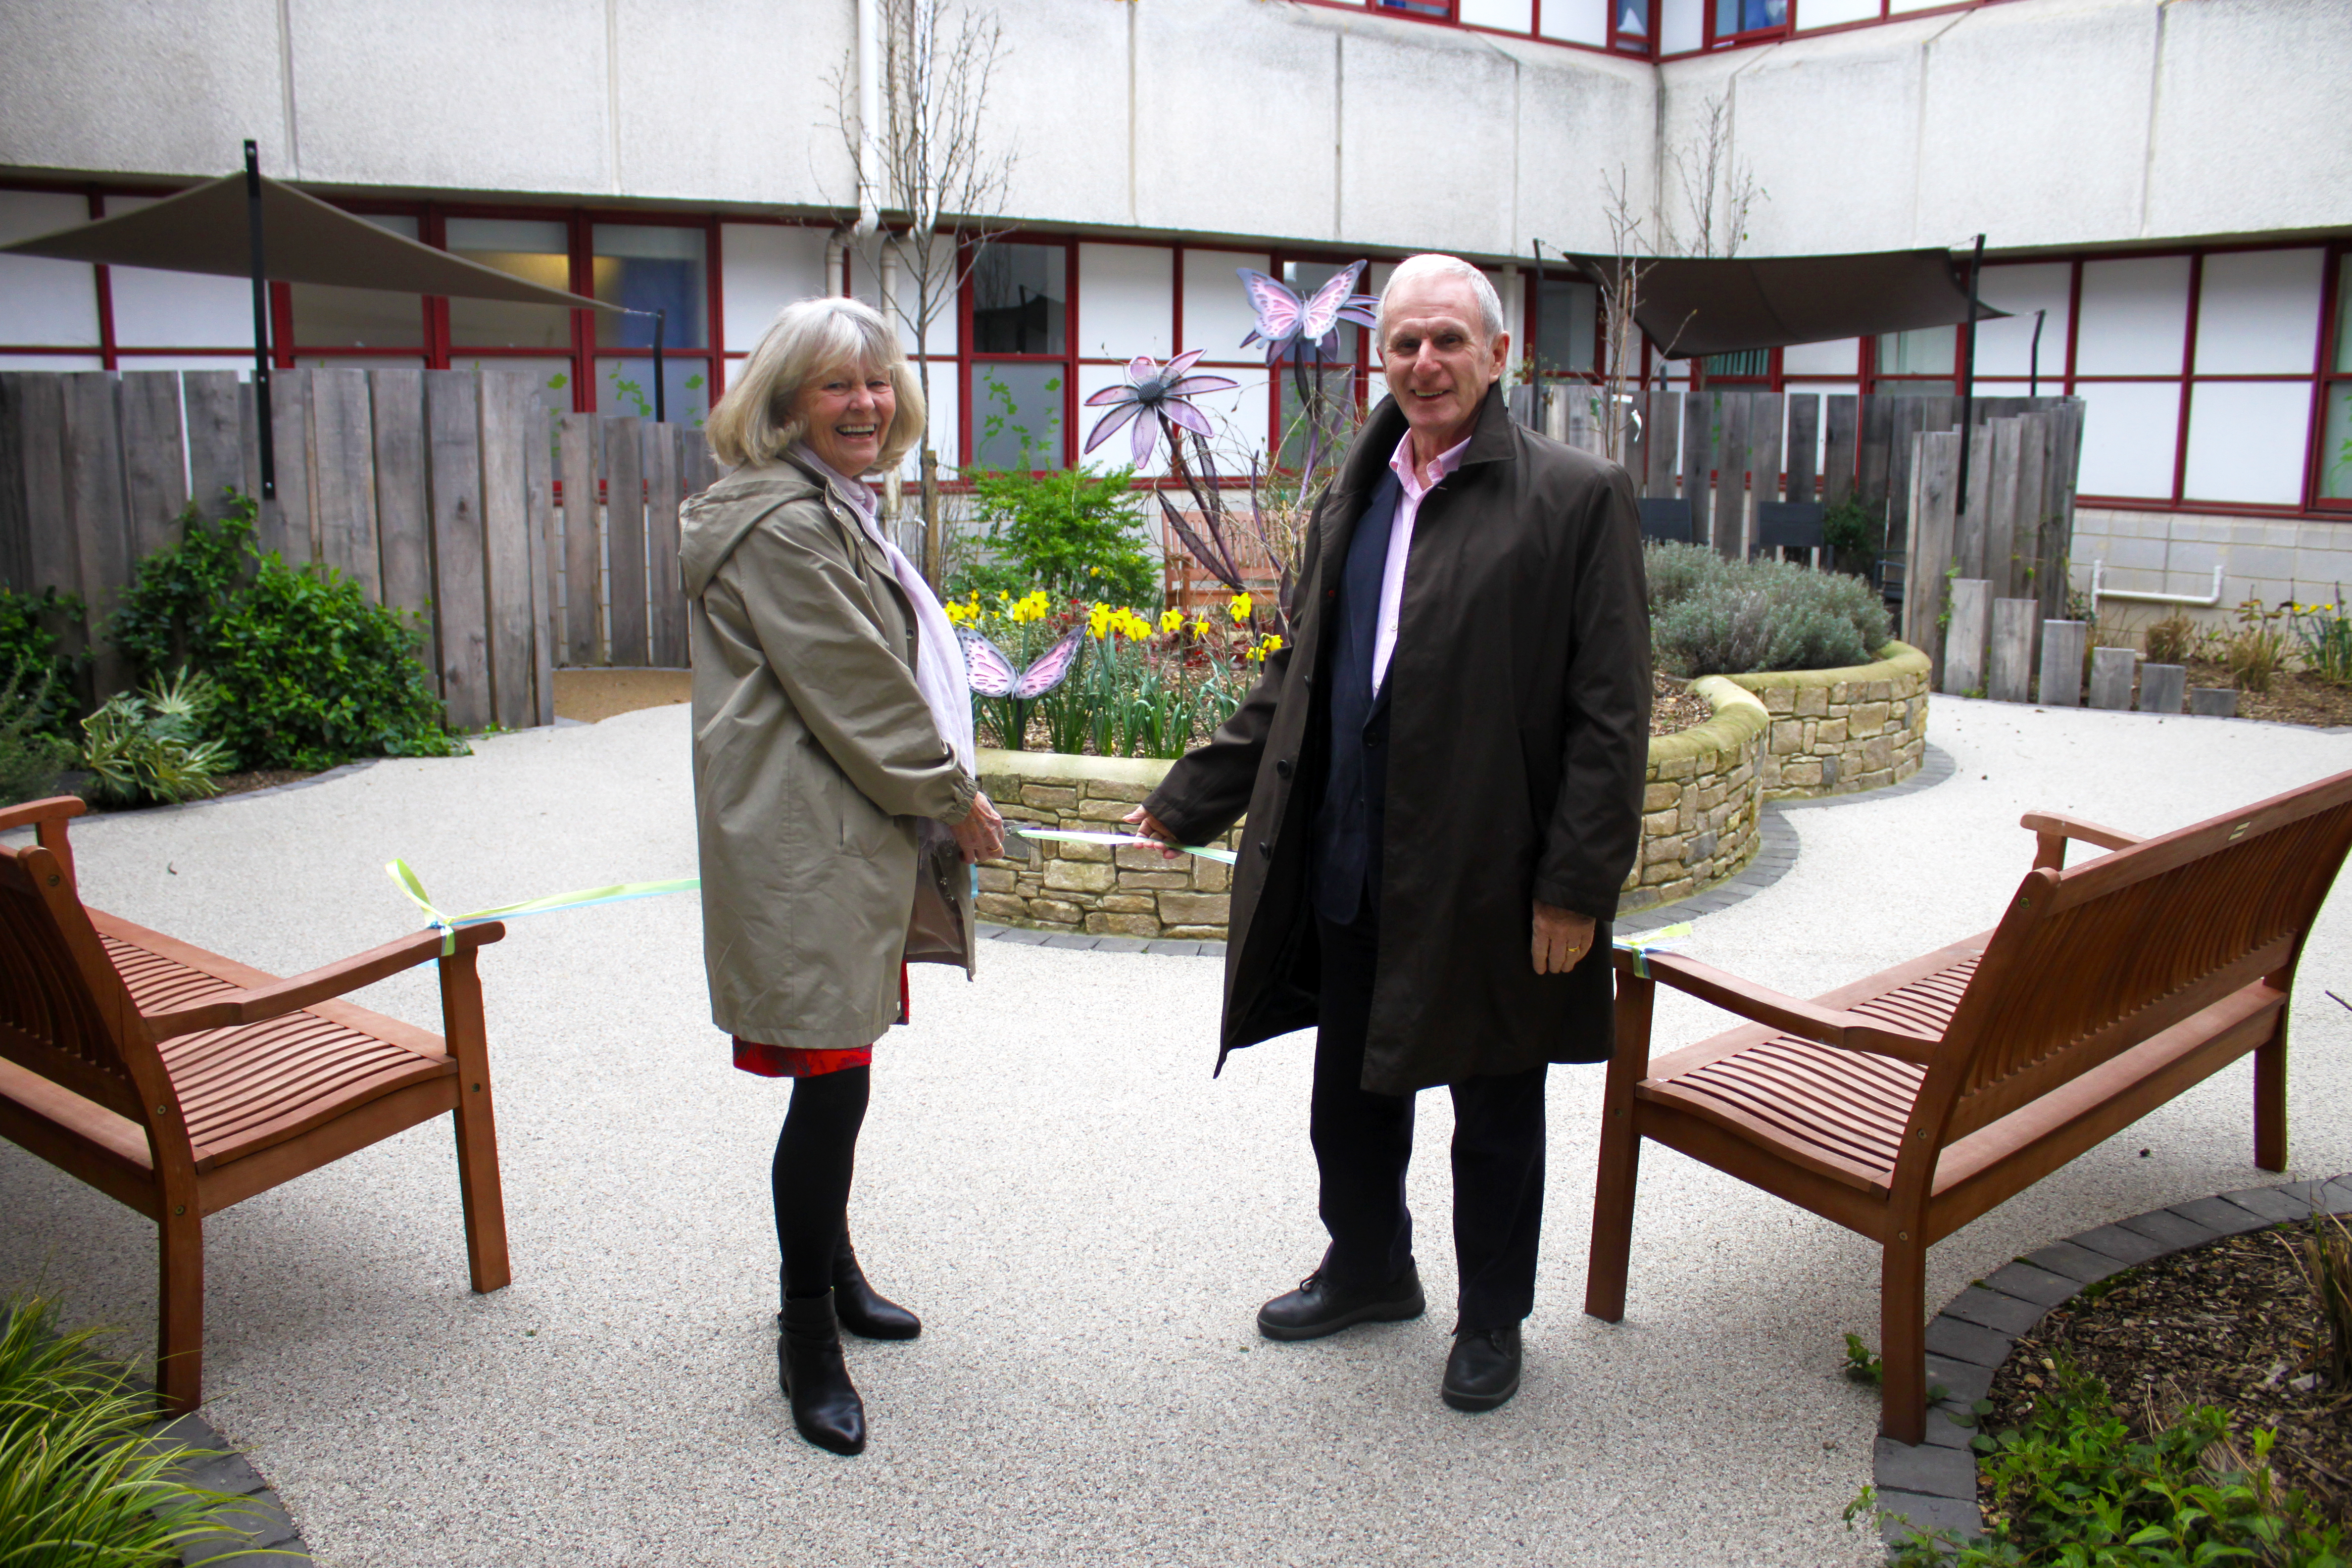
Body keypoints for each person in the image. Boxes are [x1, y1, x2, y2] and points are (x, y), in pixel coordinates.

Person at [1126, 254, 1649, 1413]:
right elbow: (1305, 679)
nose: (1425, 363)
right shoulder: (1355, 497)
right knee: (1351, 1092)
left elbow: (1612, 717)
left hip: (1494, 877)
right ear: (1384, 358)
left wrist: (1575, 886)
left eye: (1450, 341)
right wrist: (1191, 793)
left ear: (1499, 355)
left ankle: (1492, 1319)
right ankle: (1369, 1269)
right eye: (1405, 343)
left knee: (1496, 1108)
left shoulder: (1576, 496)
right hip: (1359, 855)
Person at [684, 295, 1004, 1456]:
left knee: (847, 1071)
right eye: (835, 385)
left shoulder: (834, 506)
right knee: (829, 1084)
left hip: (836, 830)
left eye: (877, 381)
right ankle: (805, 1335)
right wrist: (950, 794)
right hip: (804, 839)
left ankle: (835, 1266)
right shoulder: (783, 525)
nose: (865, 402)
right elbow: (856, 683)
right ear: (784, 405)